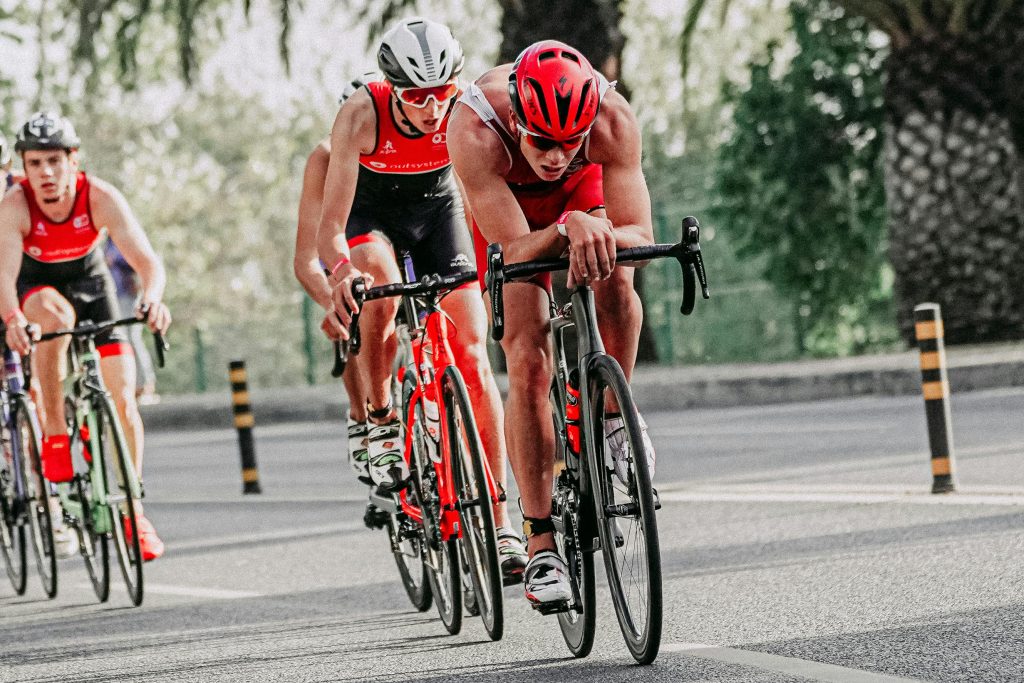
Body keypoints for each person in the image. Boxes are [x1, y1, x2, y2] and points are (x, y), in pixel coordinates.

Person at [315, 18, 527, 582]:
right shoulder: (361, 114)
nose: (433, 110)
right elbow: (330, 227)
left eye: (442, 94)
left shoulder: (465, 110)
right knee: (378, 286)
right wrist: (340, 274)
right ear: (392, 88)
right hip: (371, 218)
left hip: (438, 214)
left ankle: (503, 525)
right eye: (416, 97)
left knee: (475, 357)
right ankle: (382, 418)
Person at [447, 40, 657, 608]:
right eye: (542, 141)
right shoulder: (474, 127)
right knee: (528, 358)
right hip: (512, 211)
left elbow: (638, 232)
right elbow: (512, 251)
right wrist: (567, 228)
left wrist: (598, 229)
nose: (557, 155)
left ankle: (613, 420)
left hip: (582, 205)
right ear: (516, 114)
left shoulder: (612, 120)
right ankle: (541, 543)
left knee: (616, 277)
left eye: (572, 142)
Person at [0, 112, 172, 561]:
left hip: (92, 287)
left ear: (74, 160)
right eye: (35, 163)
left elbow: (148, 263)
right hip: (38, 290)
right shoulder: (16, 205)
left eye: (55, 161)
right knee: (54, 316)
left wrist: (153, 299)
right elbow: (3, 275)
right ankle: (55, 427)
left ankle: (134, 510)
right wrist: (15, 318)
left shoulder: (99, 196)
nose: (46, 174)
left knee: (123, 396)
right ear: (24, 166)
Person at [294, 72, 378, 484]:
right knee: (349, 317)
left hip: (393, 250)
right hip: (344, 257)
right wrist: (332, 300)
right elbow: (307, 259)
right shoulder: (326, 159)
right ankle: (362, 415)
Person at [105, 241, 159, 404]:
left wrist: (115, 260)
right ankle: (131, 386)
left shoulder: (120, 237)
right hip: (113, 296)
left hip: (128, 294)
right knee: (122, 339)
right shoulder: (106, 241)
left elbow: (139, 260)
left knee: (131, 338)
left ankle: (144, 384)